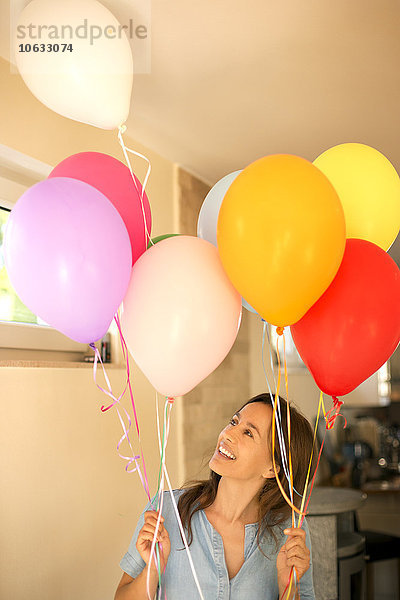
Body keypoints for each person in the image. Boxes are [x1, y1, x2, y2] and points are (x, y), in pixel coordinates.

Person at [115, 393, 316, 600]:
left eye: (248, 433)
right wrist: (153, 570)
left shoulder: (289, 531)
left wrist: (287, 587)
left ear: (273, 468)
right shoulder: (167, 510)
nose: (228, 434)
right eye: (234, 422)